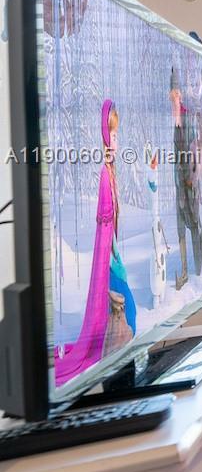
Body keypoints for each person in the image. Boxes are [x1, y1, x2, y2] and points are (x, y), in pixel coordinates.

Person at [55, 100, 137, 382]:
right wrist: (111, 254)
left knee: (127, 309)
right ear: (105, 136)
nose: (116, 141)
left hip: (111, 253)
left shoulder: (111, 171)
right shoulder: (105, 174)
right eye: (112, 135)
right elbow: (104, 221)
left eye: (117, 135)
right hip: (108, 254)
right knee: (127, 309)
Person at [171, 69, 202, 288]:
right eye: (171, 94)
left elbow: (197, 151)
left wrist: (192, 178)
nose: (173, 97)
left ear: (181, 95)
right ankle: (185, 271)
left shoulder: (188, 118)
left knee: (194, 224)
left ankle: (199, 269)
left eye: (176, 93)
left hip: (190, 185)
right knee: (180, 226)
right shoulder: (175, 120)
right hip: (179, 186)